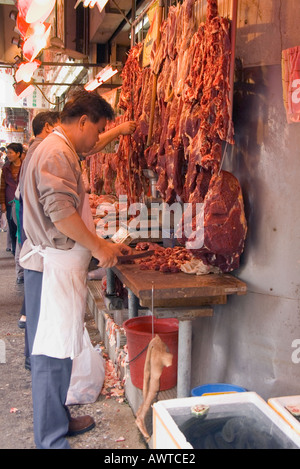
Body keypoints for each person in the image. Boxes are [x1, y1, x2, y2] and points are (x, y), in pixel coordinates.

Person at [19, 89, 132, 449]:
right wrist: (99, 246)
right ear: (82, 121)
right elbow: (62, 214)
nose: (97, 139)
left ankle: (58, 420)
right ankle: (51, 440)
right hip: (50, 269)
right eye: (97, 130)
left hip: (57, 266)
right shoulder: (55, 152)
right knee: (51, 356)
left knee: (62, 348)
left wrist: (98, 246)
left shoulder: (62, 148)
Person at [16, 111, 60, 340]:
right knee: (40, 312)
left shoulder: (37, 149)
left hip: (37, 242)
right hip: (40, 244)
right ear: (48, 127)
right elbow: (56, 208)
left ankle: (27, 317)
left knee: (38, 309)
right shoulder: (46, 152)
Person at [0, 143, 23, 257]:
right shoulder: (5, 168)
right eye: (7, 152)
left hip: (23, 202)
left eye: (11, 152)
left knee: (22, 226)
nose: (8, 155)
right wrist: (3, 203)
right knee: (12, 227)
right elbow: (2, 187)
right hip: (10, 202)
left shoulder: (25, 166)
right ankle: (15, 250)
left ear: (18, 154)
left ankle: (21, 249)